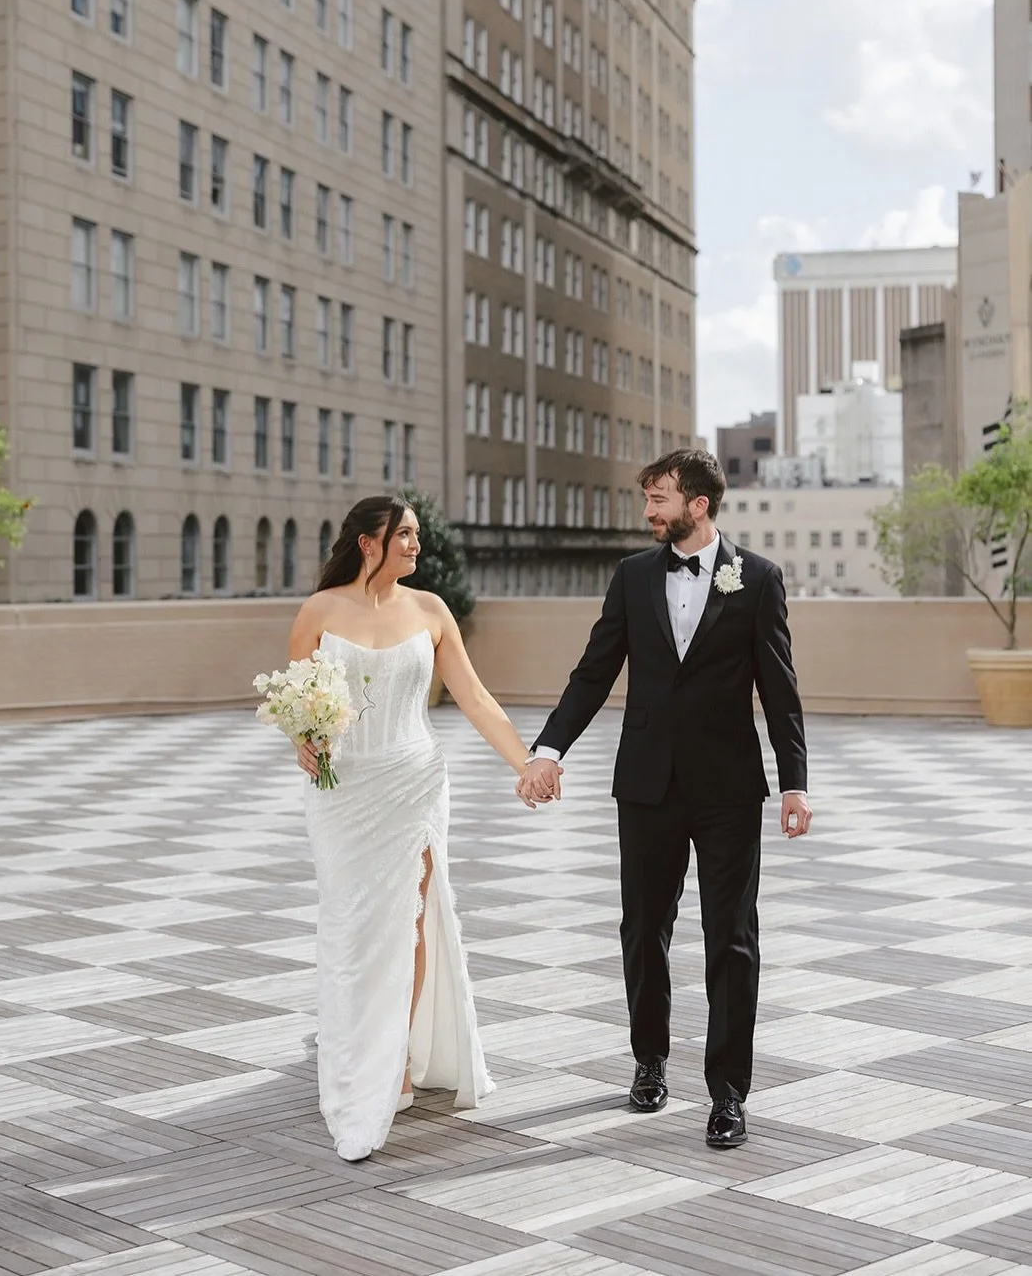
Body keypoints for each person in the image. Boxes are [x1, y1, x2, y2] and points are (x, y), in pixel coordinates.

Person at [519, 449, 811, 1149]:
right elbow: (593, 673)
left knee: (732, 941)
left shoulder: (758, 579)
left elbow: (779, 688)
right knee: (642, 930)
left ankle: (728, 1095)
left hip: (727, 789)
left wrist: (794, 780)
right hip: (645, 784)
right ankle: (648, 1060)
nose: (649, 512)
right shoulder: (631, 576)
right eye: (647, 499)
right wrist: (547, 749)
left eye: (659, 499)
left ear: (698, 504)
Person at [287, 495, 541, 1163]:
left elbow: (475, 695)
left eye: (415, 536)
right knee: (350, 920)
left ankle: (396, 1057)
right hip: (341, 792)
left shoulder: (430, 611)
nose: (415, 545)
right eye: (404, 535)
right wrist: (303, 743)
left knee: (412, 917)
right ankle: (350, 1049)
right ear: (368, 542)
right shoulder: (318, 611)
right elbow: (296, 704)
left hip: (413, 779)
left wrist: (527, 764)